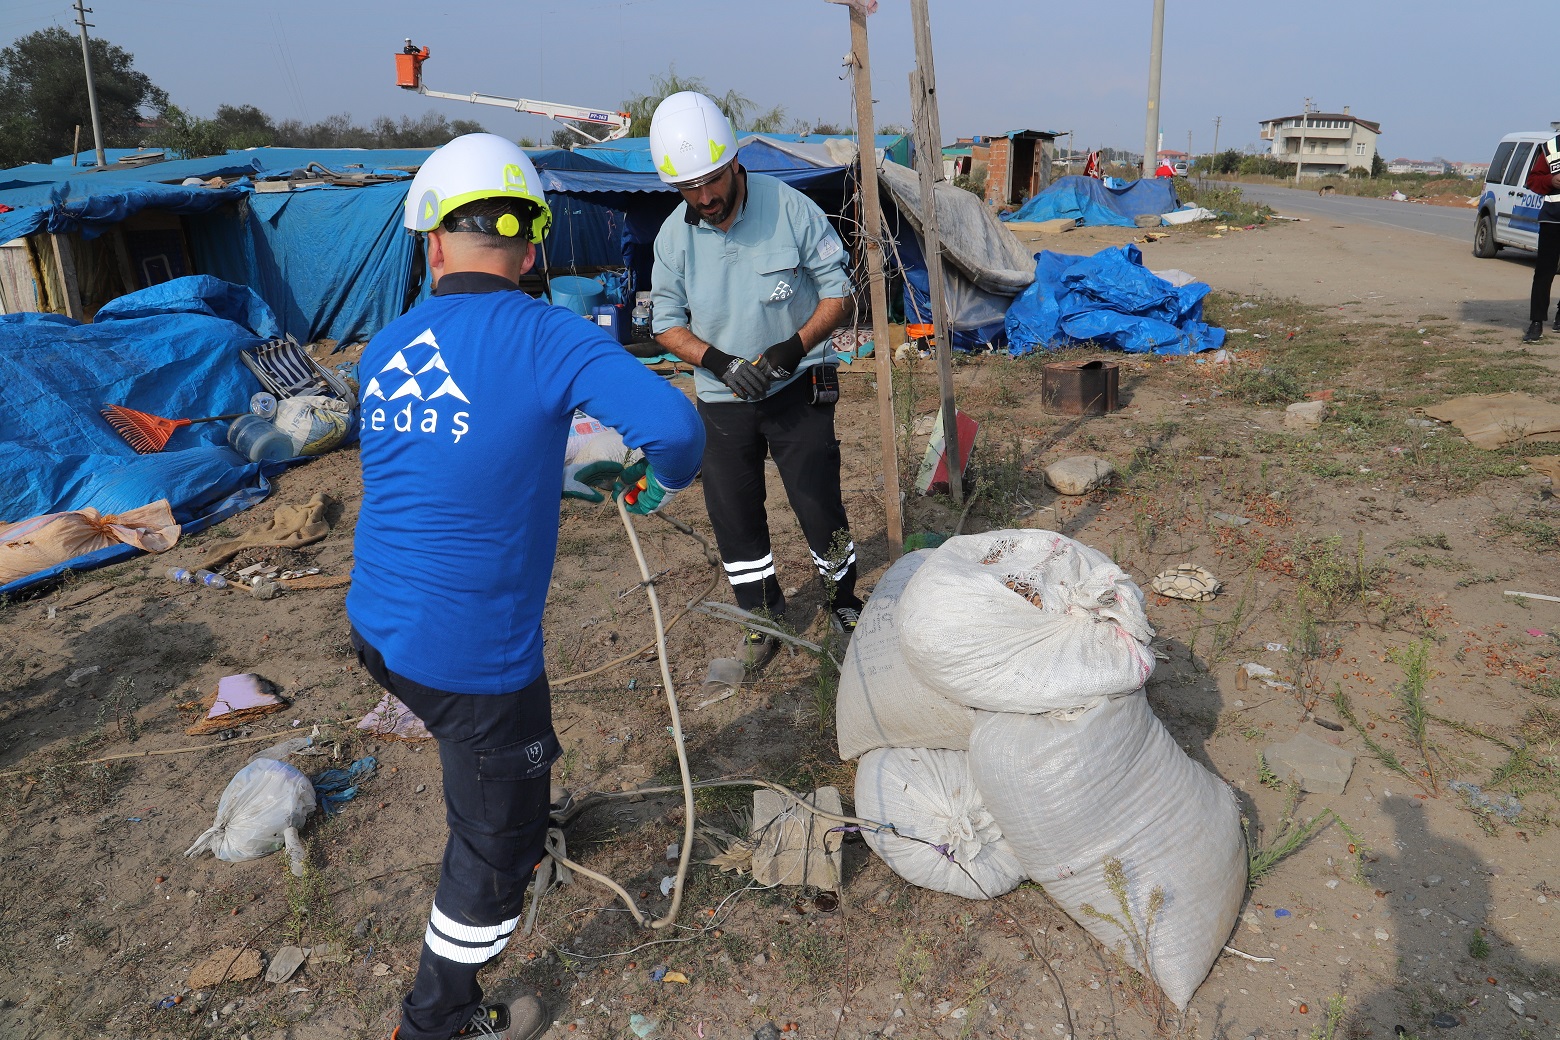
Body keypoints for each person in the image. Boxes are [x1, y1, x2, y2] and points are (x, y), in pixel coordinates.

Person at [347, 133, 704, 1040]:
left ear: (431, 242)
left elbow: (452, 454)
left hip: (381, 626)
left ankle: (516, 806)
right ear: (535, 248)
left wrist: (550, 460)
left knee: (506, 757)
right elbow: (676, 430)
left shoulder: (385, 346)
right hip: (474, 660)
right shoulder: (549, 334)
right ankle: (436, 1018)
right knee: (491, 841)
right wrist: (649, 479)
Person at [647, 90, 863, 670]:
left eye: (713, 181)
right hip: (722, 401)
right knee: (734, 514)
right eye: (689, 189)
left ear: (735, 162)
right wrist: (719, 363)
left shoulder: (791, 209)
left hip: (797, 386)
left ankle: (844, 602)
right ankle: (761, 618)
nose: (705, 198)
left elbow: (840, 293)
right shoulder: (674, 236)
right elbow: (664, 323)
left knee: (819, 503)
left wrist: (791, 349)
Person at [1523, 134, 1560, 343]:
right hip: (1553, 219)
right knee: (1544, 272)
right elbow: (1532, 180)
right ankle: (1536, 322)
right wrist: (1550, 180)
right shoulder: (1550, 147)